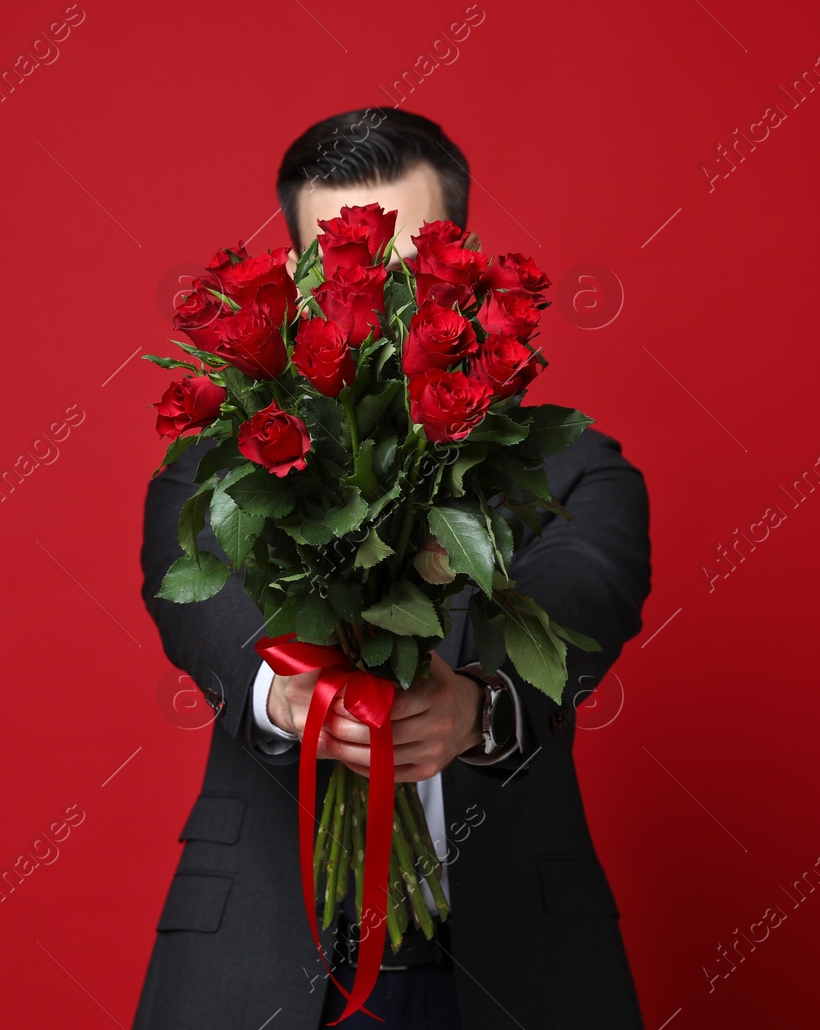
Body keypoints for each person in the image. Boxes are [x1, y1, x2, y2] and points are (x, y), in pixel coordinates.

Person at [134, 107, 650, 1029]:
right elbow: (200, 604)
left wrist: (480, 707)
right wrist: (280, 695)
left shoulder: (571, 467)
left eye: (405, 272)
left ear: (463, 260)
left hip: (512, 966)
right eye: (345, 276)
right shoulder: (229, 464)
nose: (379, 305)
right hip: (261, 960)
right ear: (294, 281)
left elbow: (586, 593)